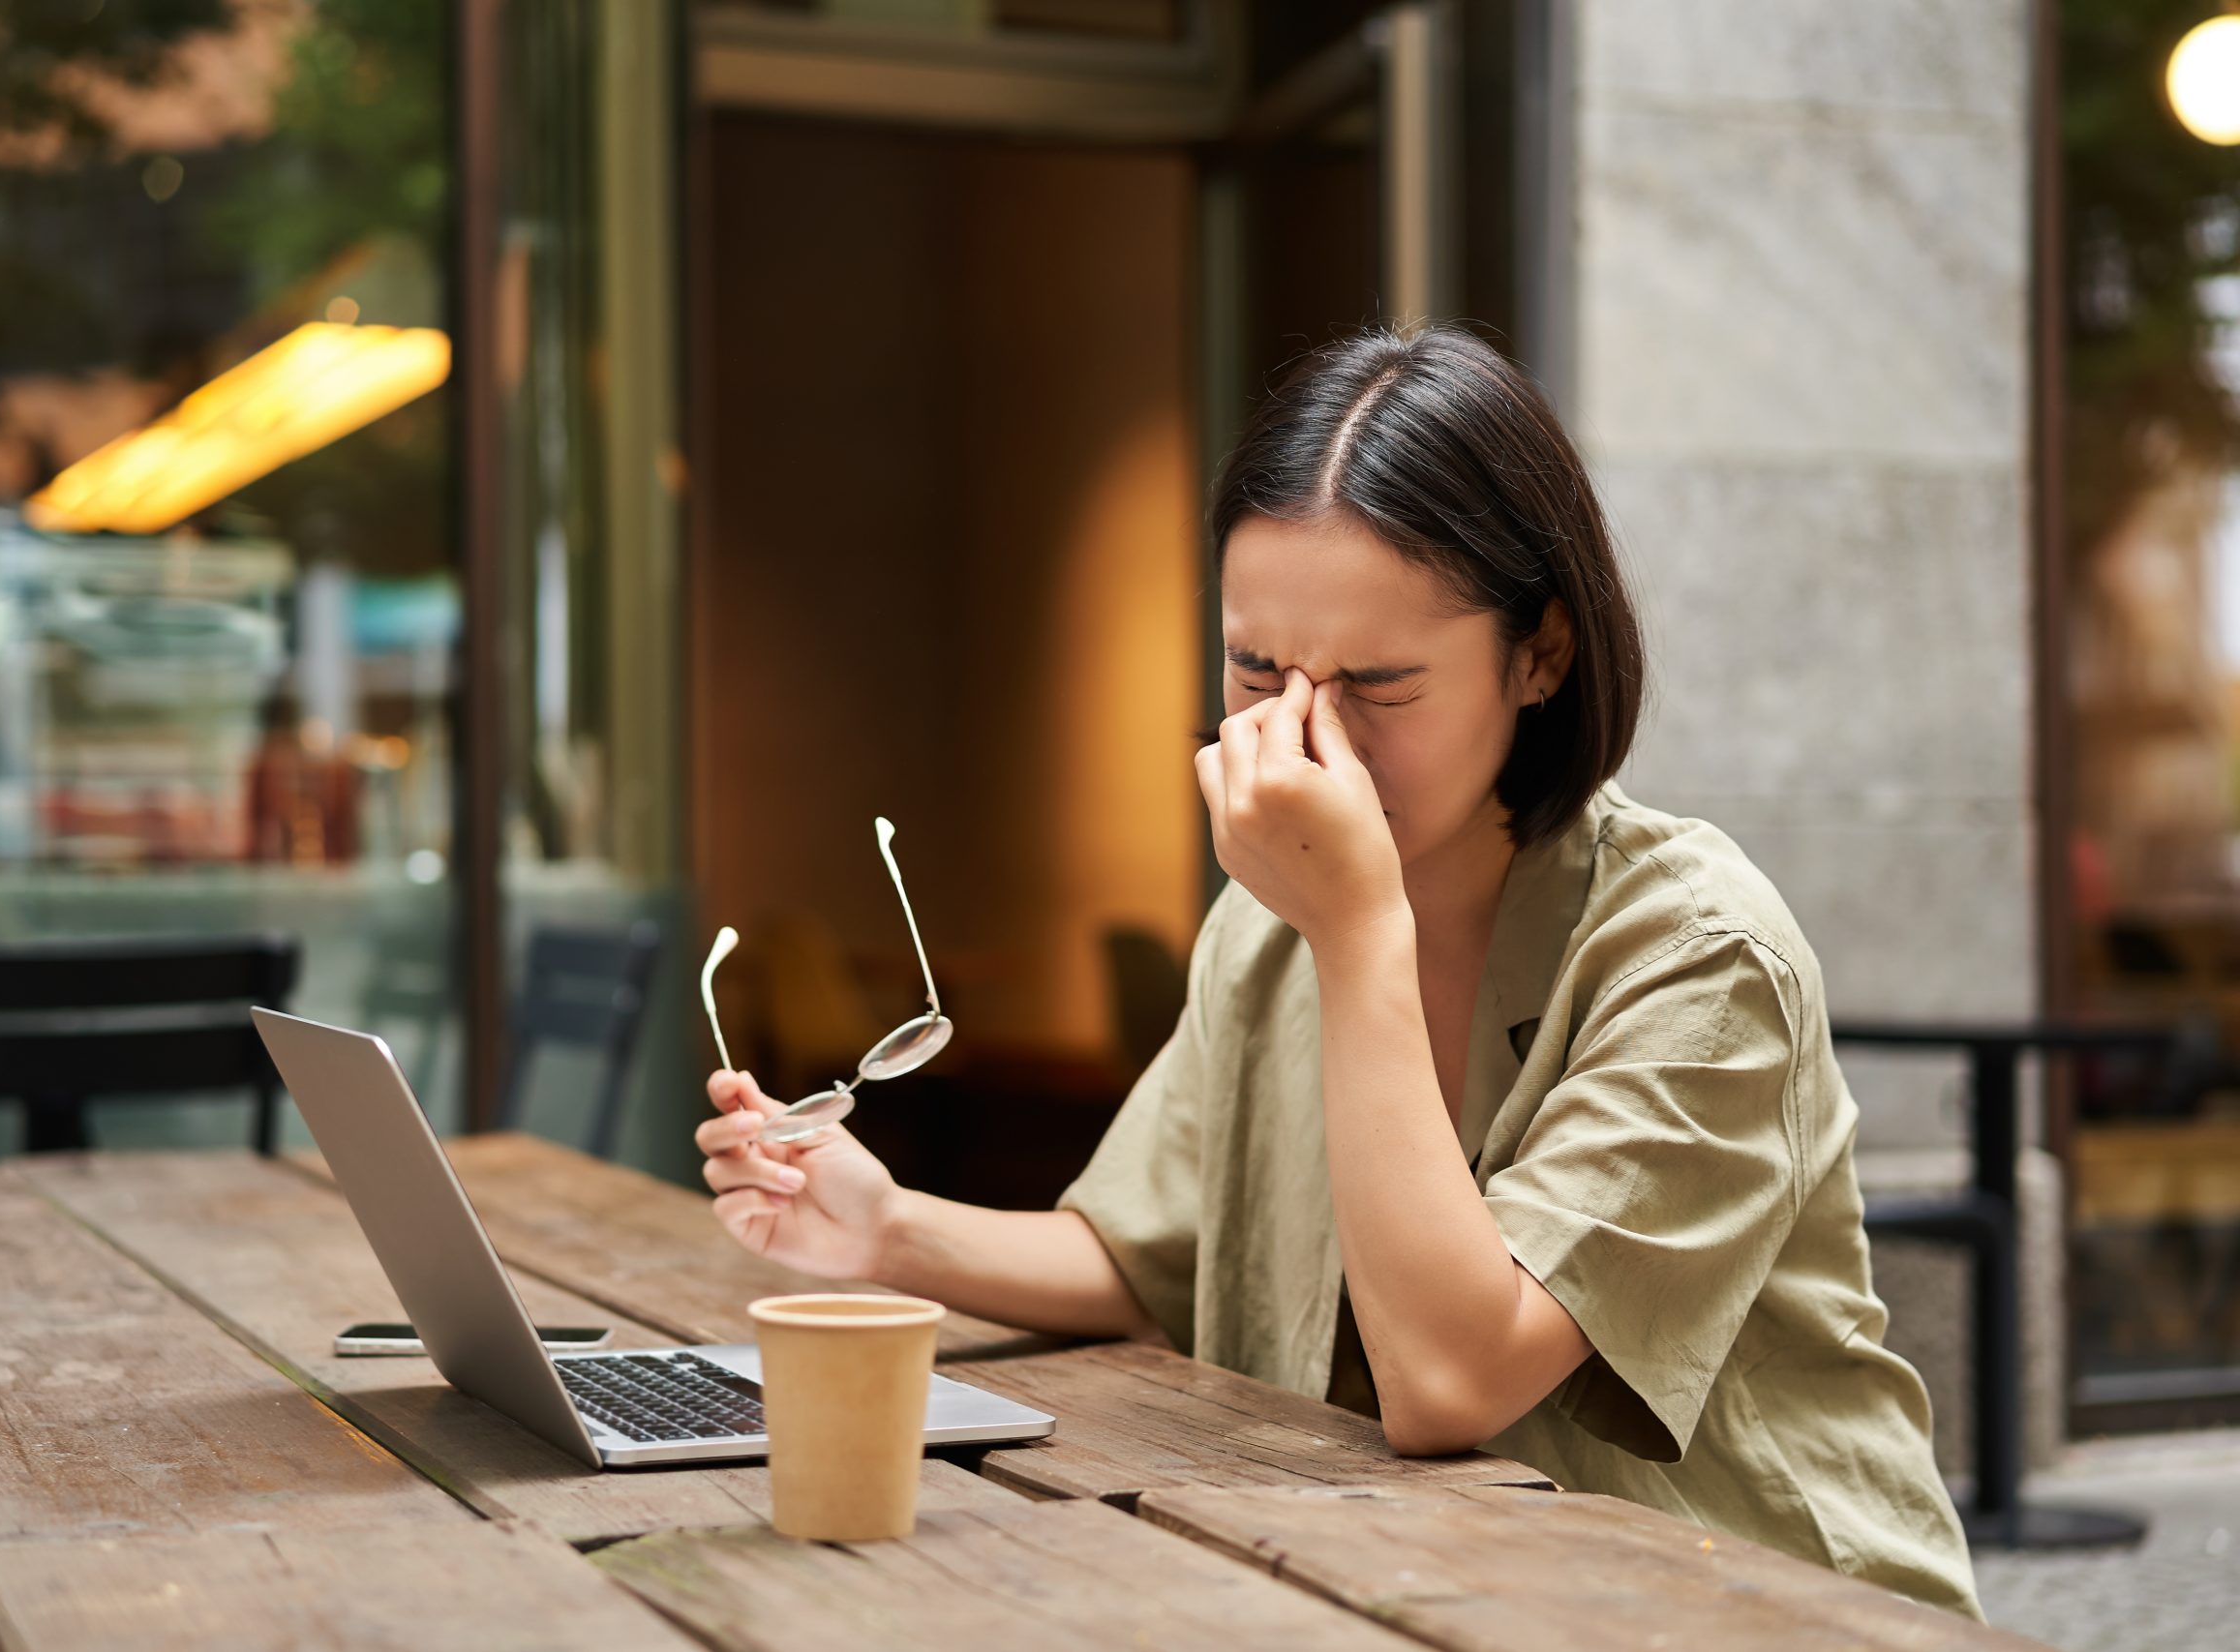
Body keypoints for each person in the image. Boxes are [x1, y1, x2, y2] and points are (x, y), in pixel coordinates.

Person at [694, 325, 1981, 1618]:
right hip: (1412, 1591)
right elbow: (1147, 1257)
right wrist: (887, 1227)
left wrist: (1362, 933)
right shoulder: (1268, 929)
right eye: (1255, 666)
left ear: (1541, 654)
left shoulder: (1699, 958)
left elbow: (1451, 1382)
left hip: (1754, 1612)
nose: (1303, 733)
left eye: (1377, 683)